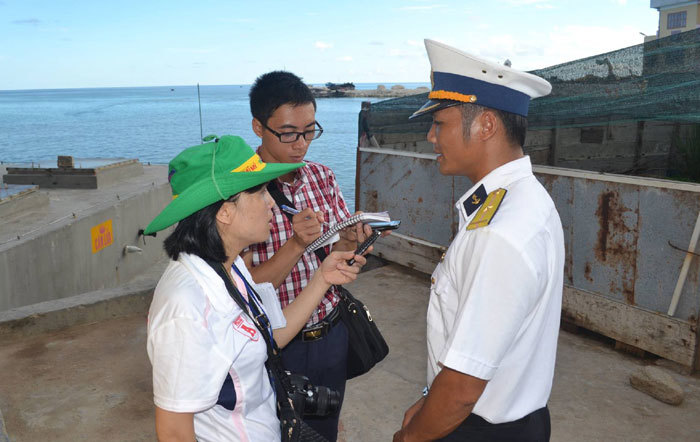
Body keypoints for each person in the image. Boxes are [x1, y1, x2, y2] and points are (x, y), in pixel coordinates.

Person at [393, 39, 565, 442]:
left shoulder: (500, 232)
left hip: (481, 429)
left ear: (486, 125)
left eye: (440, 123)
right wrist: (427, 399)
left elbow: (462, 389)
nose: (431, 137)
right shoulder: (523, 200)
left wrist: (411, 438)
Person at [143, 135, 367, 442]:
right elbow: (173, 431)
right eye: (260, 192)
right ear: (224, 211)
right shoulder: (185, 306)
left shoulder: (228, 266)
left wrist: (323, 278)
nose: (272, 202)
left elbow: (270, 334)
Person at [241, 71, 369, 441]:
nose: (301, 144)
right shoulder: (241, 191)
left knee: (325, 428)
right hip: (277, 343)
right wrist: (295, 245)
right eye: (288, 133)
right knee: (274, 430)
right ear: (258, 127)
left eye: (309, 130)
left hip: (331, 331)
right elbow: (243, 289)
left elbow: (336, 257)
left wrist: (352, 243)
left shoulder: (322, 177)